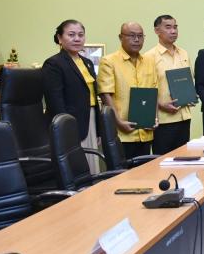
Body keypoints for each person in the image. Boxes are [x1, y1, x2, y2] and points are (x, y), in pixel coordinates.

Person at [42, 19, 102, 173]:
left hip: (90, 118)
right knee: (76, 168)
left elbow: (93, 97)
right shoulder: (53, 63)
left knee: (92, 165)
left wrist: (99, 129)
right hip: (70, 122)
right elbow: (55, 101)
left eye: (81, 35)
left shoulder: (87, 62)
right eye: (71, 35)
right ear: (60, 38)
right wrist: (65, 128)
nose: (77, 39)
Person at [97, 22, 158, 158]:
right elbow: (106, 95)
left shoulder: (149, 61)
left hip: (145, 132)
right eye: (132, 36)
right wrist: (118, 121)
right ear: (121, 37)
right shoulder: (108, 61)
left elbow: (153, 92)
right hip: (121, 133)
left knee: (144, 169)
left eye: (140, 36)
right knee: (123, 170)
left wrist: (154, 118)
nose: (136, 40)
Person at [144, 15, 192, 154]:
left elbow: (189, 80)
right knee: (162, 159)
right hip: (163, 120)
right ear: (157, 30)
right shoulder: (149, 56)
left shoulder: (183, 53)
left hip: (184, 116)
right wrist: (160, 104)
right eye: (168, 27)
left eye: (175, 27)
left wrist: (190, 96)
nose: (173, 31)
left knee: (183, 158)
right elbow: (146, 89)